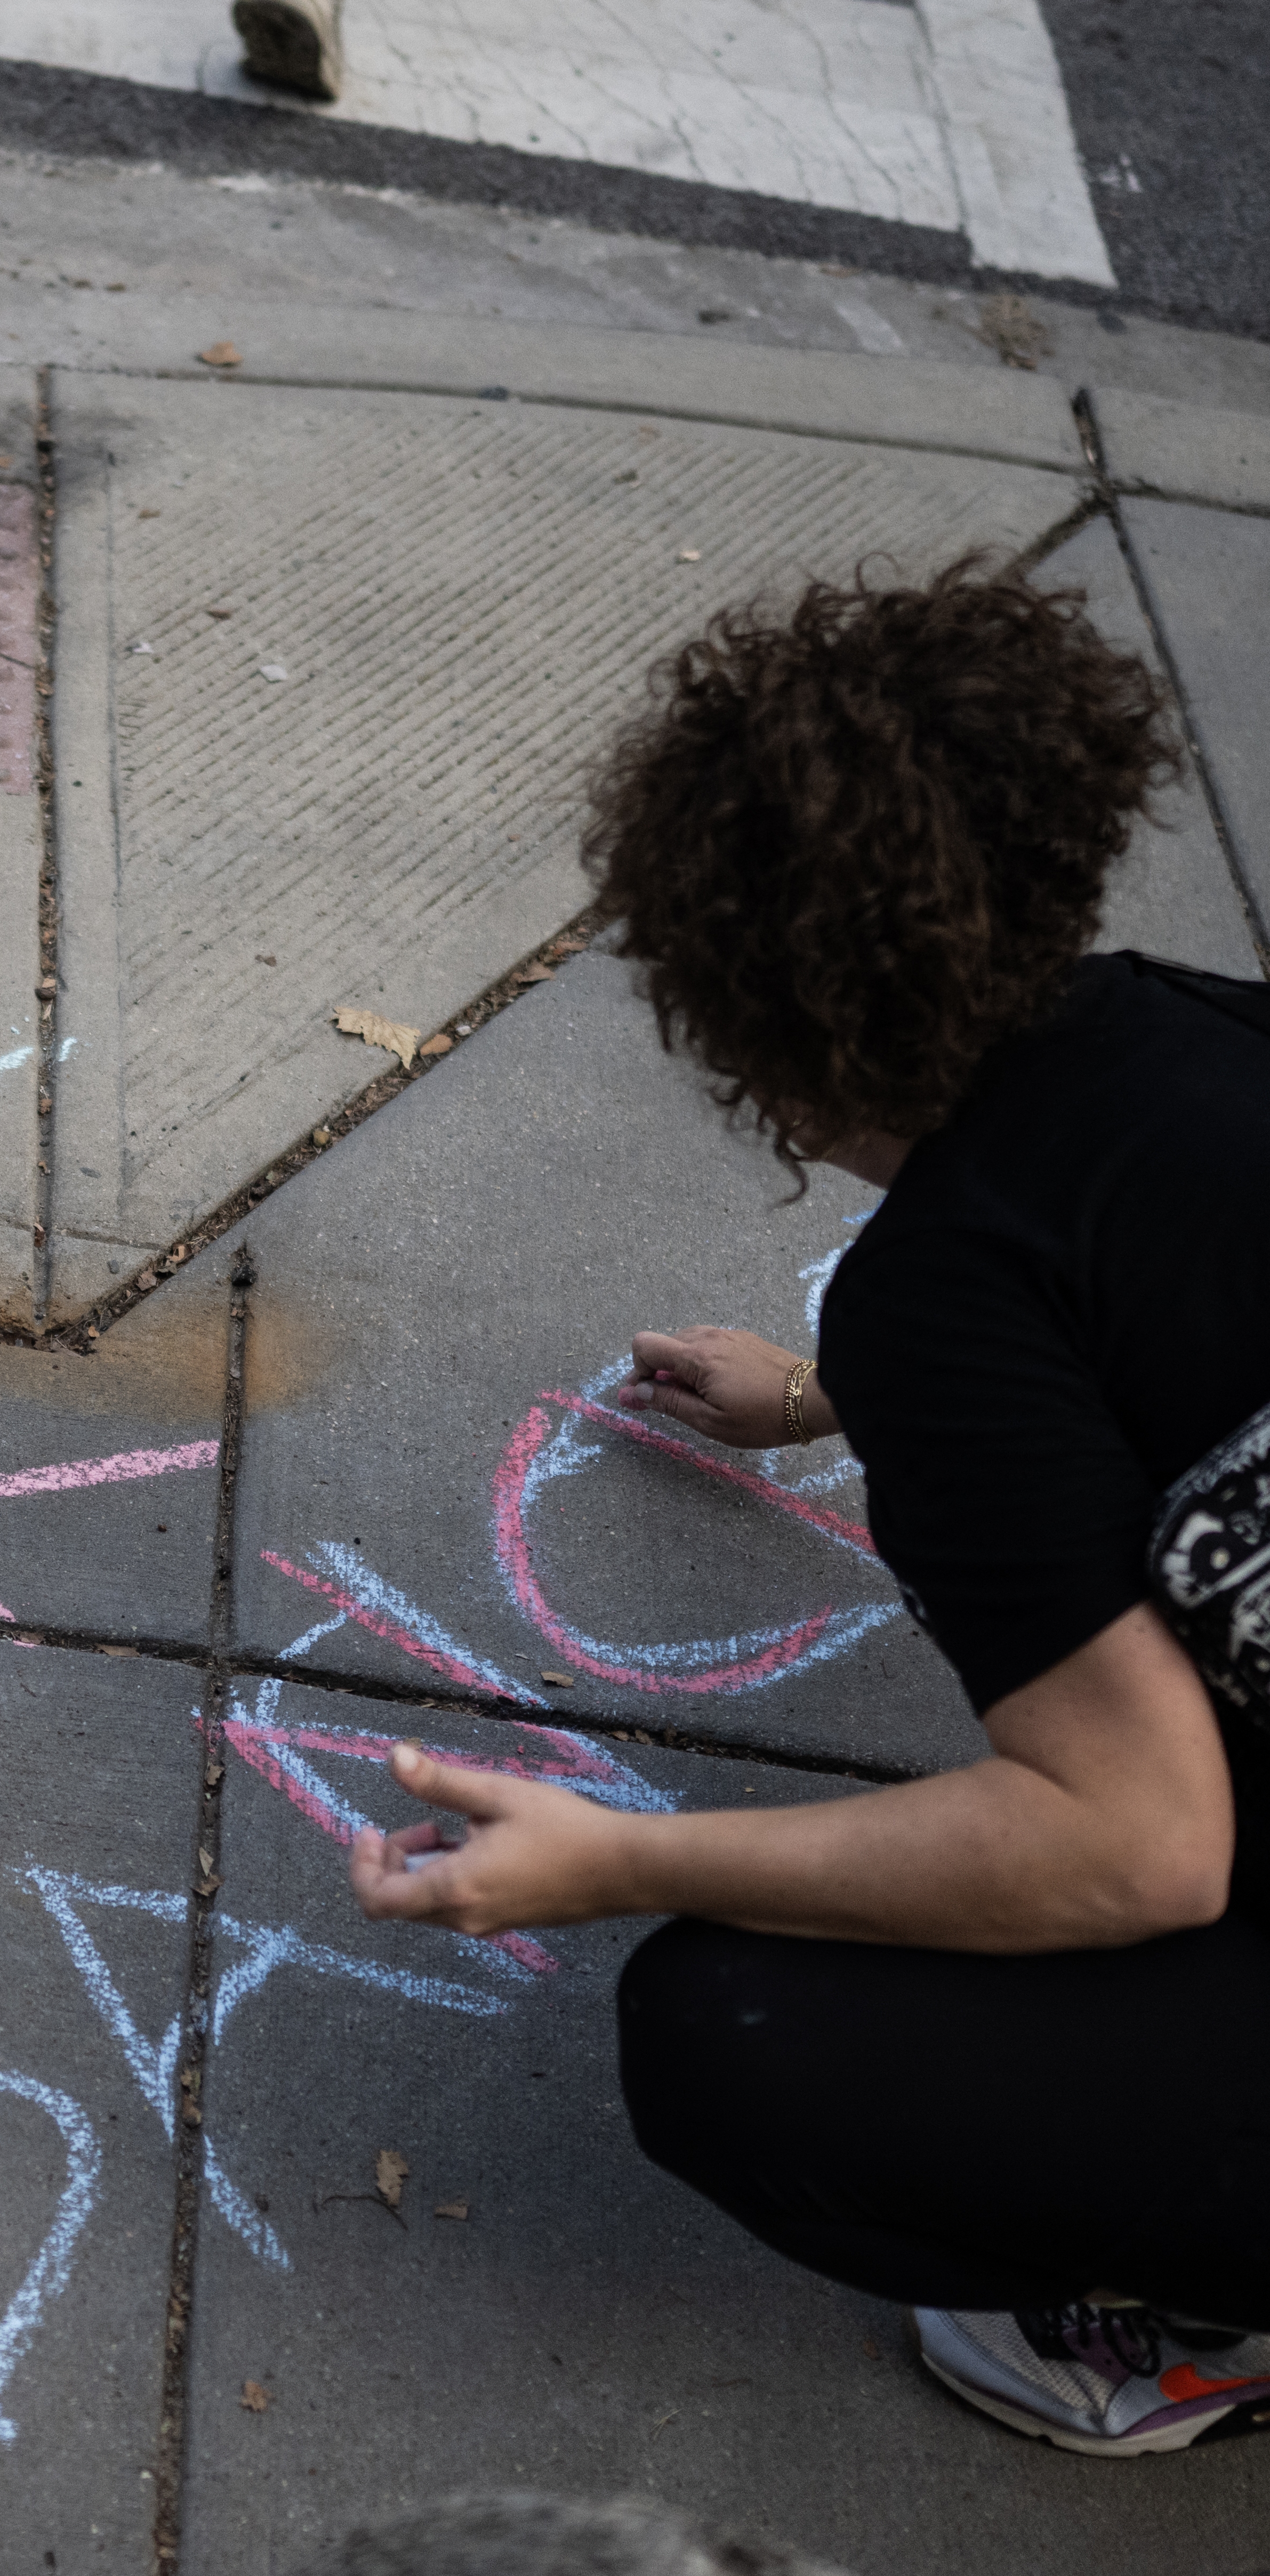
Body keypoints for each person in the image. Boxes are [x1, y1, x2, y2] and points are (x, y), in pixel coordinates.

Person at [342, 558, 1270, 2457]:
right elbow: (1169, 1297)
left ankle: (1205, 2330)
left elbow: (1141, 1844)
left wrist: (622, 1861)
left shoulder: (940, 1294)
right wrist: (853, 1398)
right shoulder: (1202, 1033)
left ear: (736, 1022)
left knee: (737, 2038)